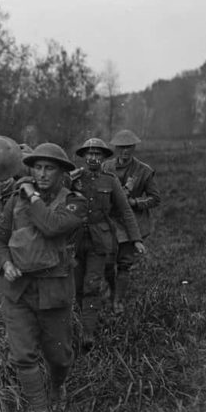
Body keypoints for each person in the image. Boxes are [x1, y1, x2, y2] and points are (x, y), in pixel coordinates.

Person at [0, 143, 88, 412]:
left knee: (59, 356)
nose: (42, 174)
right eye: (37, 168)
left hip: (54, 289)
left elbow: (51, 226)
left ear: (62, 173)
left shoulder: (75, 202)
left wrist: (31, 195)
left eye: (50, 169)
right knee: (22, 355)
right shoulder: (15, 201)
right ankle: (38, 407)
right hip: (17, 290)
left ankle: (57, 386)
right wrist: (5, 263)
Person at [71, 138, 145, 351]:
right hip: (74, 240)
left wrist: (136, 239)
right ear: (84, 156)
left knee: (92, 285)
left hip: (99, 240)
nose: (93, 158)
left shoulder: (110, 180)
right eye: (89, 154)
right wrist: (68, 180)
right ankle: (79, 322)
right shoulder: (74, 178)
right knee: (76, 286)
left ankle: (87, 332)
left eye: (98, 154)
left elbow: (125, 211)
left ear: (104, 158)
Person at [101, 130, 161, 314]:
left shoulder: (144, 171)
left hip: (132, 223)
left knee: (124, 263)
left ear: (134, 148)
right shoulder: (106, 167)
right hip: (110, 221)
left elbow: (155, 199)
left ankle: (118, 301)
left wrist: (135, 202)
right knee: (108, 262)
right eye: (121, 147)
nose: (125, 151)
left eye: (128, 147)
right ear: (116, 148)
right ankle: (112, 291)